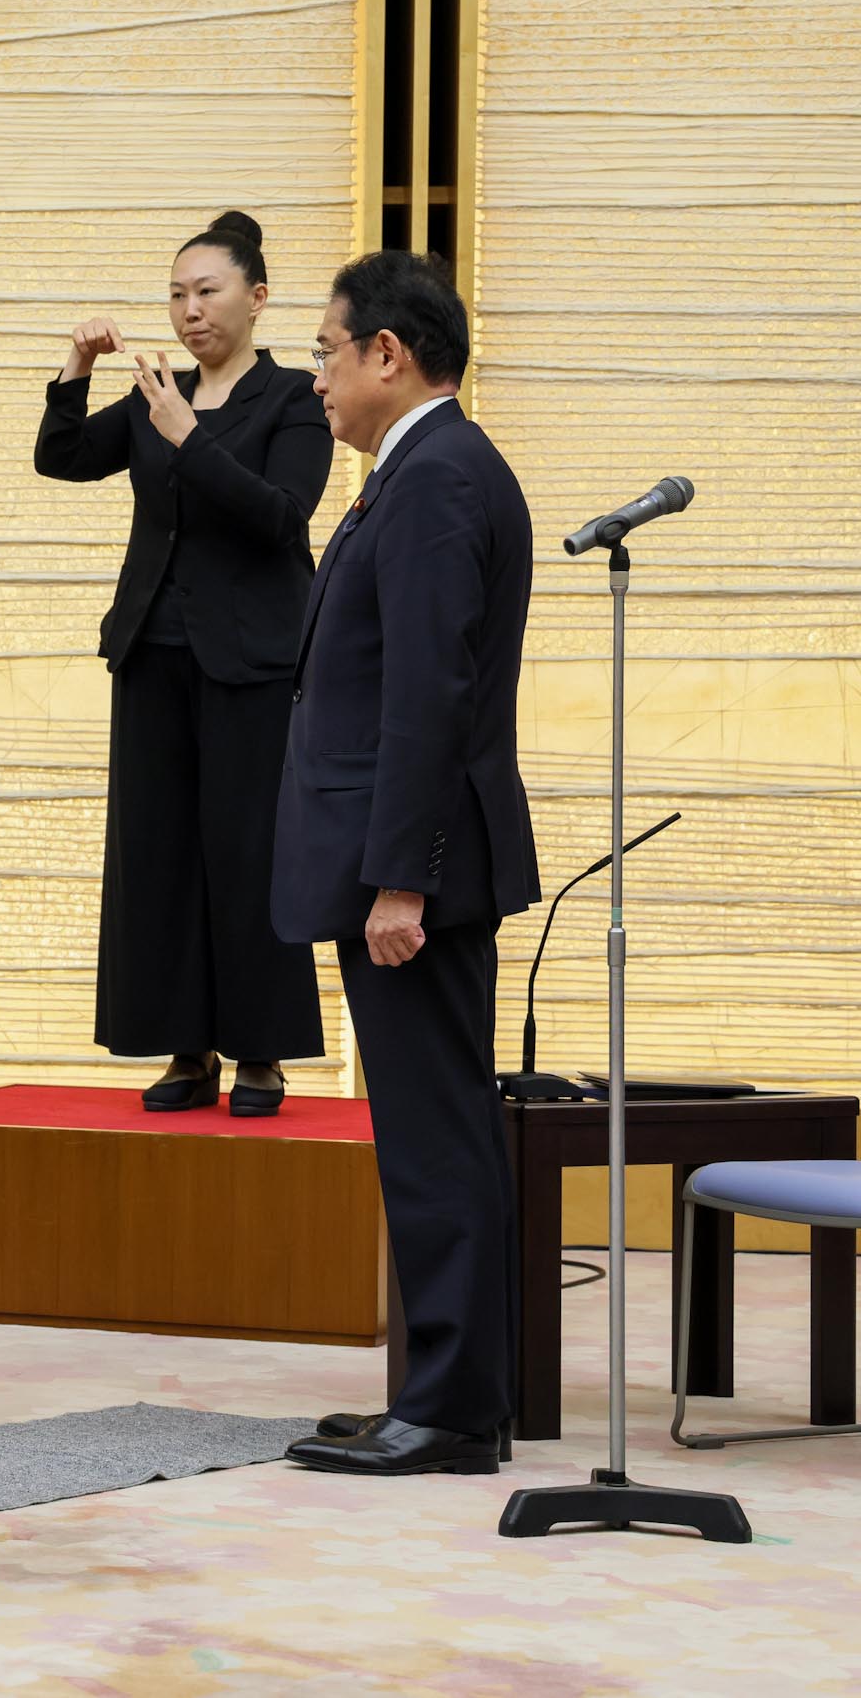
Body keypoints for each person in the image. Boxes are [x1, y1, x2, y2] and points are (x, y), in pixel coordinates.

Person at [275, 251, 540, 1478]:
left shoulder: (435, 479)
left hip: (413, 873)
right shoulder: (415, 472)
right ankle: (440, 1389)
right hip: (397, 858)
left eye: (326, 350)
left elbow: (430, 695)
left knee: (436, 1133)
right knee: (426, 1129)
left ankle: (445, 1409)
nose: (315, 377)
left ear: (388, 353)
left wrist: (403, 878)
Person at [33, 210, 330, 1117]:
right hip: (153, 649)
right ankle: (185, 1047)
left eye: (207, 292)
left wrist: (187, 439)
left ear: (258, 297)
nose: (189, 311)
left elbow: (283, 516)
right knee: (157, 853)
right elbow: (61, 459)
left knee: (248, 852)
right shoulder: (158, 391)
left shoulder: (293, 400)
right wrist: (74, 374)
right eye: (176, 294)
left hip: (251, 661)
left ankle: (261, 1054)